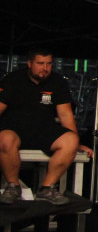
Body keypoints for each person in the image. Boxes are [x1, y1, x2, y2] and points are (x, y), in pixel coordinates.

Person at [0, 48, 91, 206]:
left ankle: (47, 188)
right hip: (14, 129)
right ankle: (13, 187)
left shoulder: (57, 81)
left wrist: (77, 143)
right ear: (30, 64)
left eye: (49, 63)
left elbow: (65, 114)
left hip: (44, 130)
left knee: (70, 140)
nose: (45, 68)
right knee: (5, 139)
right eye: (40, 63)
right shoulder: (13, 79)